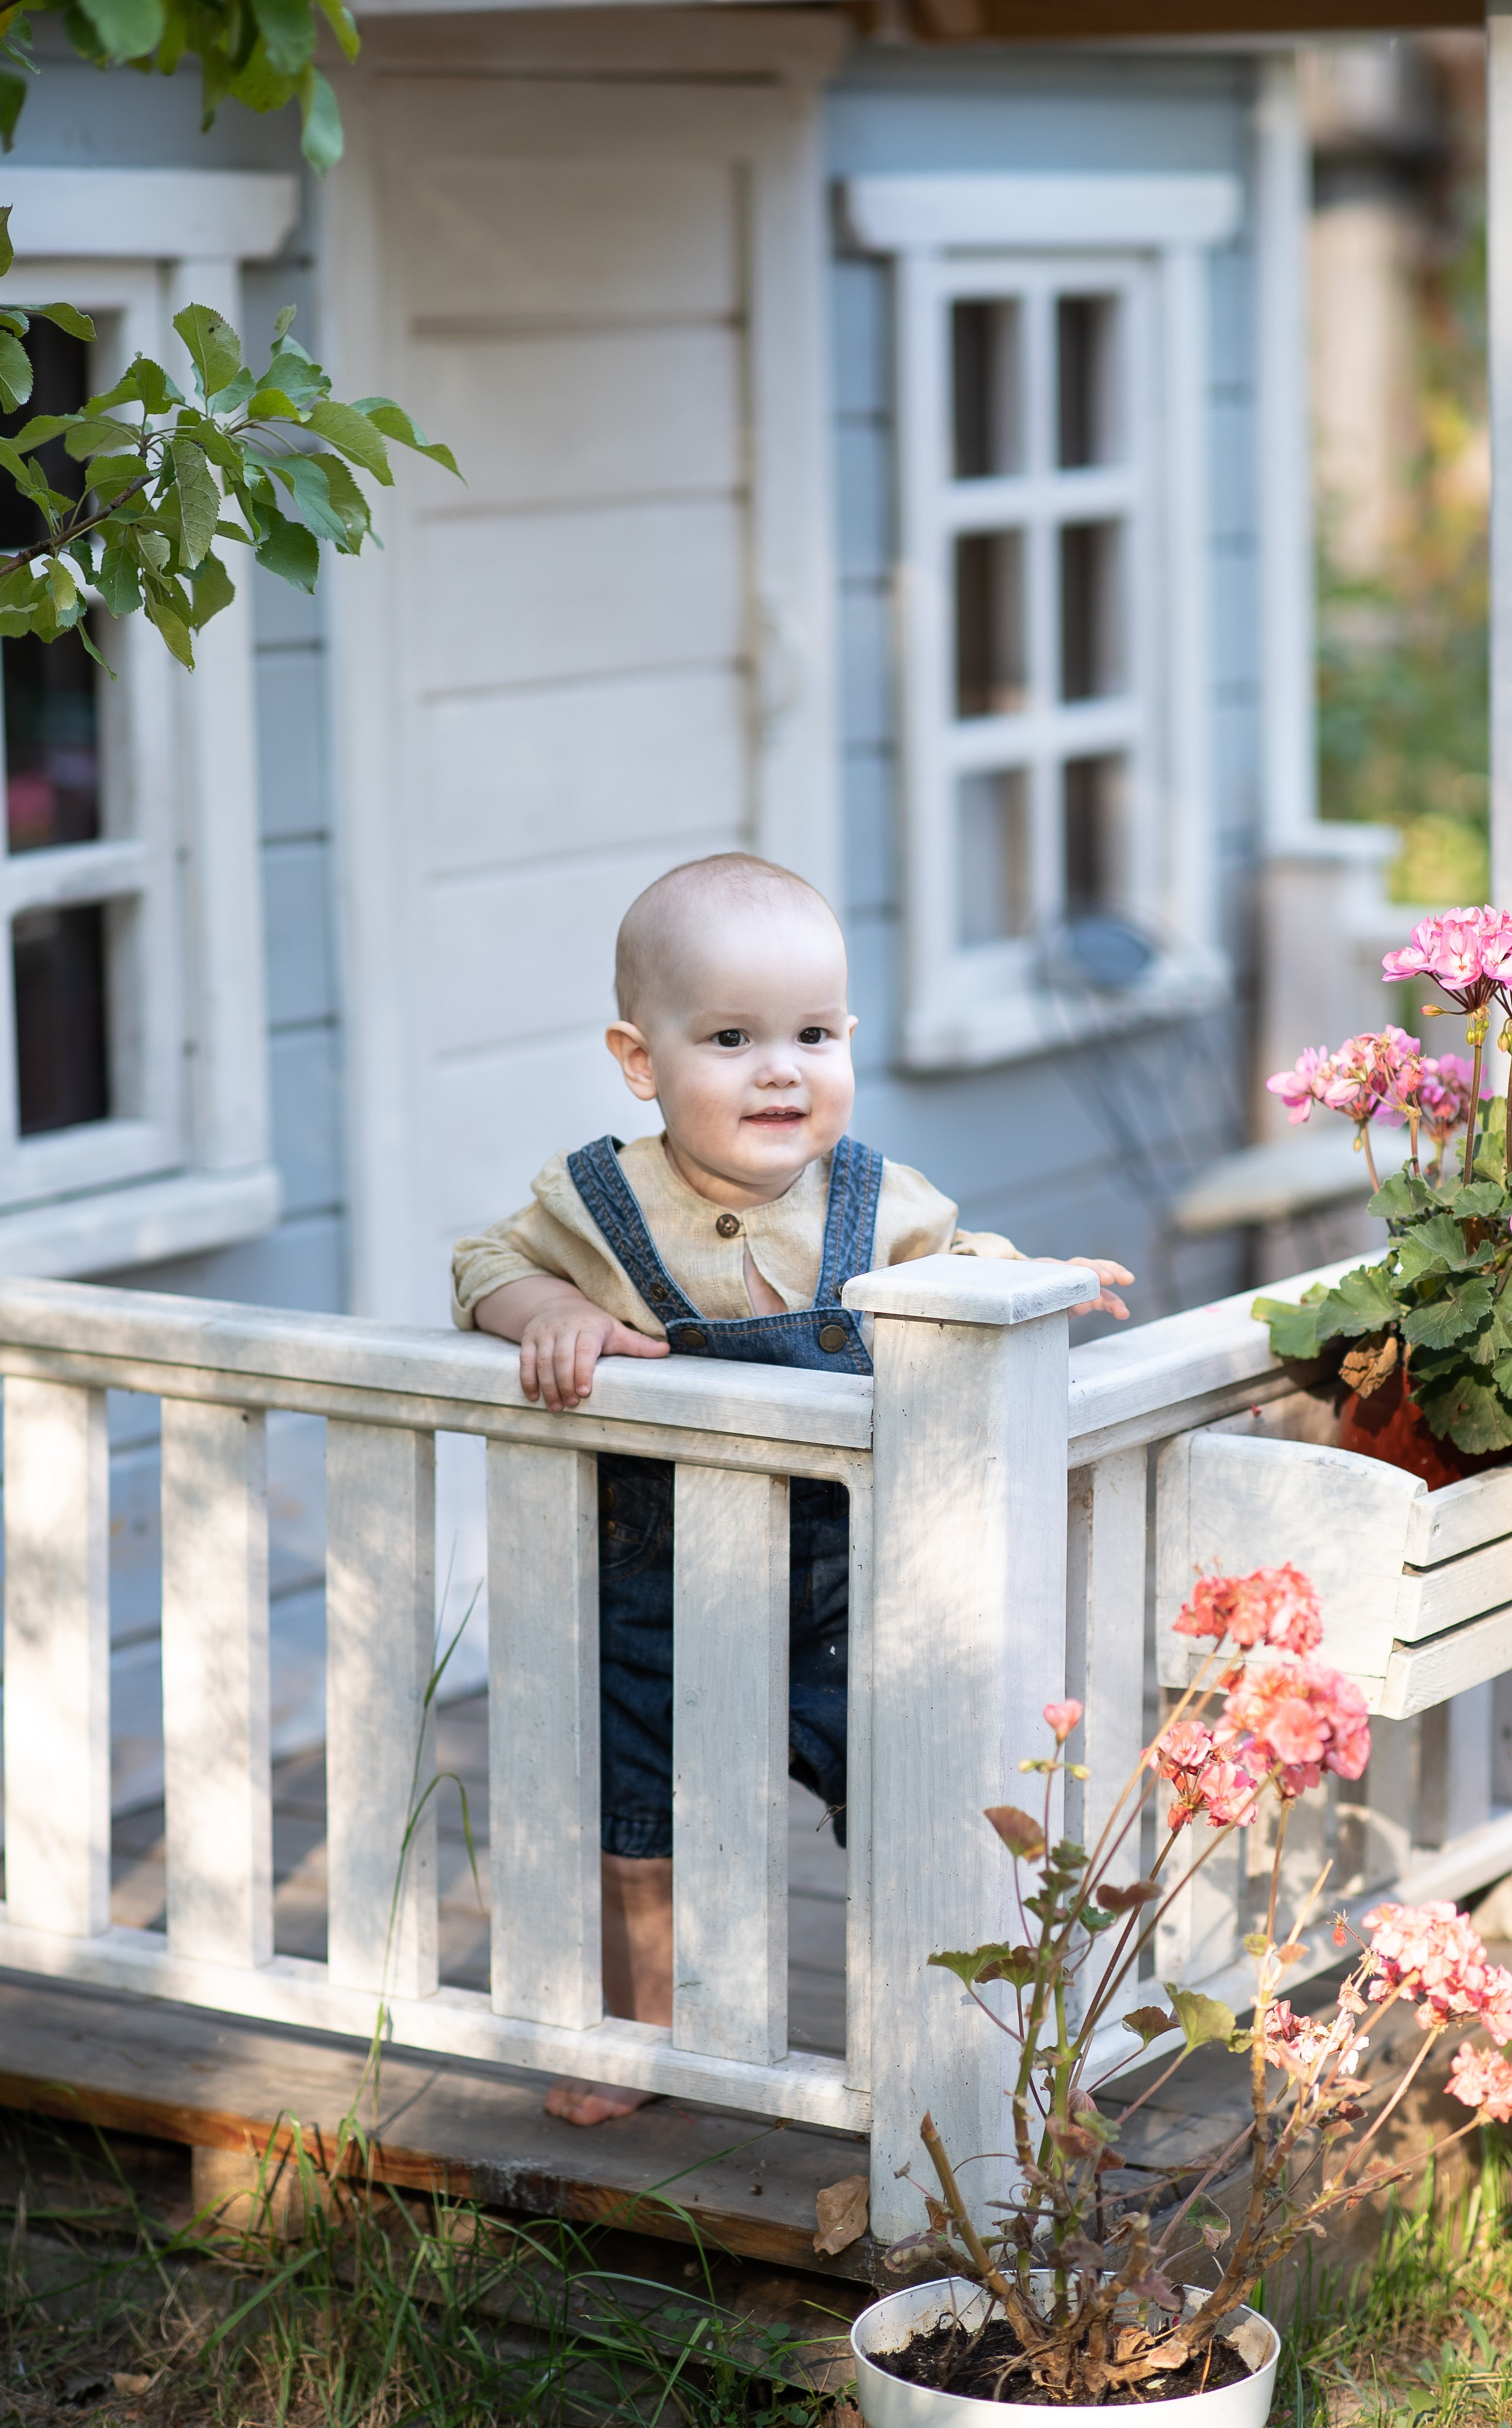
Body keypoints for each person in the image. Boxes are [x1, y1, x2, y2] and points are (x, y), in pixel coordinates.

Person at [452, 853, 1133, 2124]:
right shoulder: (599, 1204)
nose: (781, 1067)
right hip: (656, 1582)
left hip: (847, 1583)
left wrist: (1035, 1278)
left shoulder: (878, 1204)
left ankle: (945, 2039)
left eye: (812, 1033)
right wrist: (546, 1311)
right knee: (638, 1816)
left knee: (906, 1804)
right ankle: (642, 2030)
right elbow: (483, 1261)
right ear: (639, 1059)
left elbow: (967, 1266)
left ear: (847, 1041)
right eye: (730, 1036)